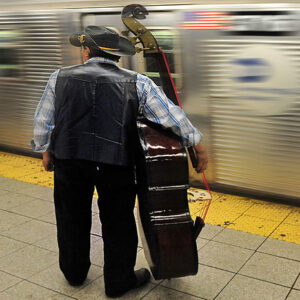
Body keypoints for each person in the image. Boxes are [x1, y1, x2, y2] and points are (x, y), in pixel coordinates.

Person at [32, 25, 208, 298]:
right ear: (116, 55)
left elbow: (44, 119)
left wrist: (45, 149)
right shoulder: (138, 82)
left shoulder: (59, 77)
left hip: (69, 161)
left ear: (87, 50)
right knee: (118, 222)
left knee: (70, 218)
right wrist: (196, 142)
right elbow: (171, 117)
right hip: (115, 163)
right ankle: (118, 280)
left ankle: (74, 273)